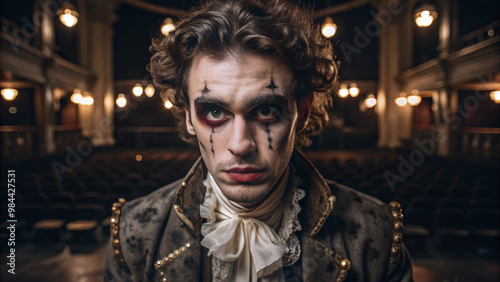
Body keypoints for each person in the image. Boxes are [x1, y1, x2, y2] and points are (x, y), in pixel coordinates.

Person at [104, 0, 413, 281]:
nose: (240, 145)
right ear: (188, 117)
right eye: (214, 111)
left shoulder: (377, 234)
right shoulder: (136, 233)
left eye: (265, 110)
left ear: (301, 112)